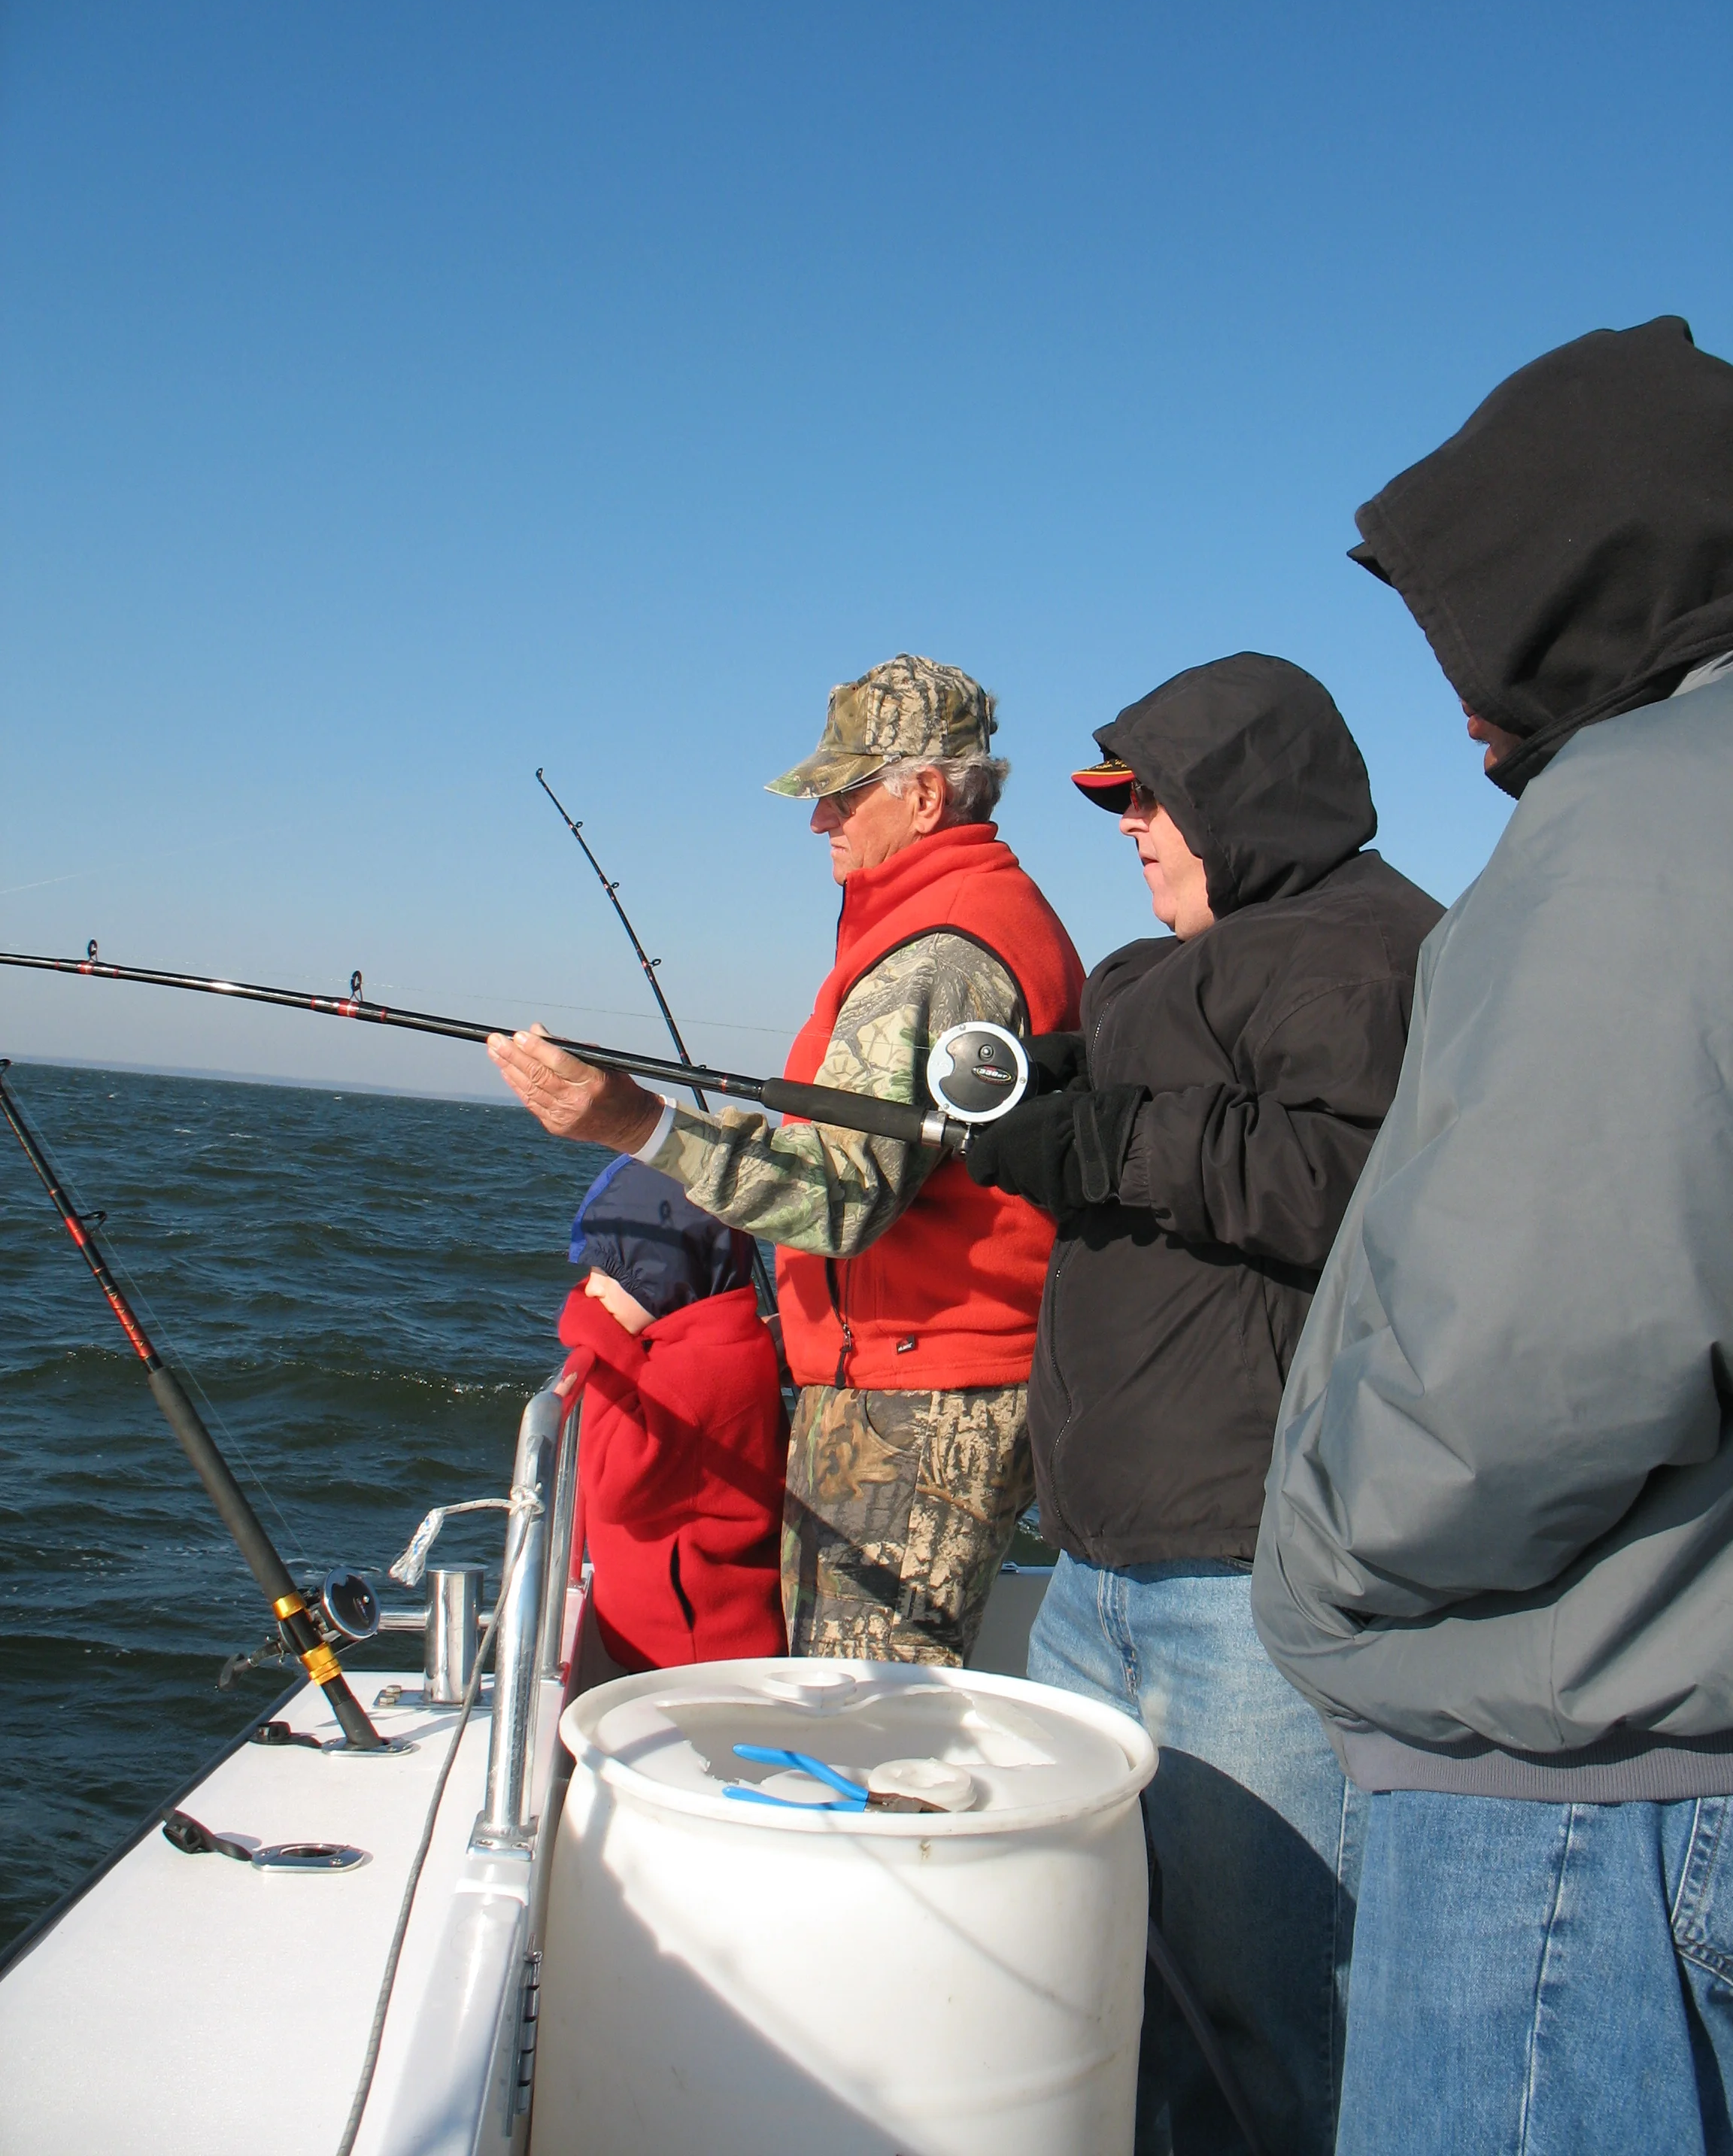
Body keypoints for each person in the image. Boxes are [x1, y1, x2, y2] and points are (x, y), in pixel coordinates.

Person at [1252, 316, 1733, 2155]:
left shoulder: (1640, 821)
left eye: (1493, 632)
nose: (1466, 702)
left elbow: (1542, 1347)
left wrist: (1334, 1562)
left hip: (1581, 1783)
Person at [964, 651, 1443, 2156]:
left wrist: (1108, 1139)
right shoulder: (1147, 970)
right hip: (1093, 1571)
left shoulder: (1374, 952)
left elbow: (1358, 1184)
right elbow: (1127, 1120)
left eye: (1147, 794)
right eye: (1112, 795)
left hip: (1249, 1585)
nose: (1124, 822)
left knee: (1261, 2020)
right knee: (1103, 1975)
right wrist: (1018, 1103)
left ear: (1246, 792)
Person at [491, 654, 1085, 1664]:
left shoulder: (938, 955)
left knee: (864, 1725)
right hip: (899, 1376)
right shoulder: (942, 923)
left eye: (843, 797)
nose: (819, 821)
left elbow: (842, 1195)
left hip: (917, 1400)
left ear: (926, 795)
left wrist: (639, 1127)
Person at [557, 1155, 787, 1679]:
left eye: (606, 1272)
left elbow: (615, 1488)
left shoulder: (702, 1368)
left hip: (697, 1653)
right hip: (697, 1638)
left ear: (663, 1275)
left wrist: (592, 1332)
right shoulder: (707, 1342)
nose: (589, 1293)